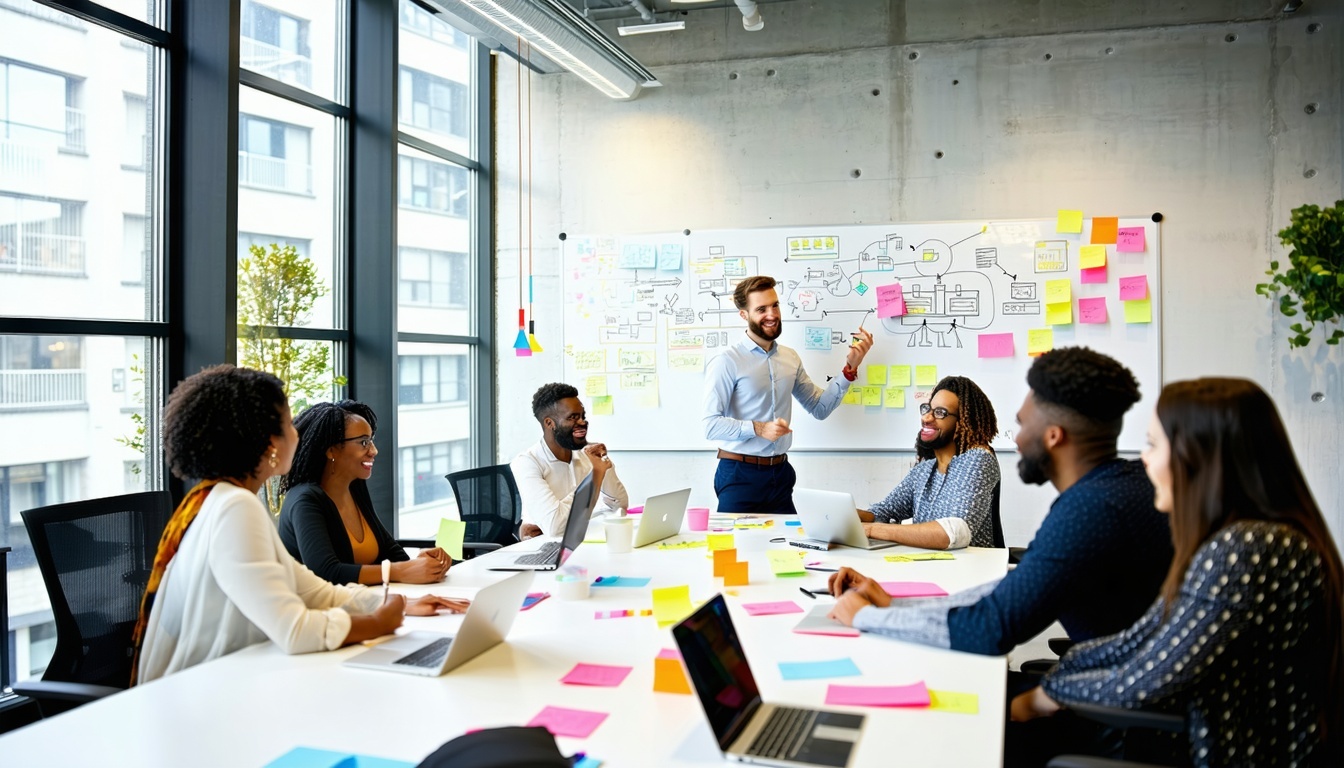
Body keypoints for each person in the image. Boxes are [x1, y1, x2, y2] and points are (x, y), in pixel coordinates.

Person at [1009, 378, 1344, 767]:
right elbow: (1139, 641)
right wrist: (1062, 674)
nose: (1144, 460)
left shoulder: (1247, 550)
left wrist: (1041, 697)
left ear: (1196, 456)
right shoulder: (1237, 539)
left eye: (1153, 444)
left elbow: (1150, 675)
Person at [826, 347, 1173, 657]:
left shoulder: (1086, 514)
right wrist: (894, 603)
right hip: (1112, 682)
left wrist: (866, 617)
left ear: (1053, 436)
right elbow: (1008, 594)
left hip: (1107, 708)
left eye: (1021, 425)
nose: (1016, 439)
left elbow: (990, 627)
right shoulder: (1118, 490)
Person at [130, 365, 467, 685]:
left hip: (228, 680)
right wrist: (378, 622)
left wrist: (400, 605)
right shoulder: (235, 507)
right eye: (289, 424)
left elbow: (310, 589)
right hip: (200, 695)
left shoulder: (224, 499)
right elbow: (295, 631)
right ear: (267, 442)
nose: (298, 434)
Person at [703, 275, 874, 513]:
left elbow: (819, 408)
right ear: (744, 315)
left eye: (774, 305)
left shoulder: (789, 357)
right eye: (761, 309)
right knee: (740, 549)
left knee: (788, 548)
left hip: (780, 475)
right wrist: (759, 428)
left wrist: (849, 369)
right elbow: (711, 426)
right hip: (739, 474)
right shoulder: (727, 361)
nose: (772, 314)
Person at [278, 400, 450, 585]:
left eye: (371, 440)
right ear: (331, 450)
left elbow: (391, 552)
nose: (373, 451)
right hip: (324, 611)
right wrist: (399, 570)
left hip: (364, 603)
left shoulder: (355, 488)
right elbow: (326, 572)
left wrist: (420, 562)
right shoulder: (305, 500)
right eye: (363, 442)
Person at [859, 375, 1001, 549]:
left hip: (969, 570)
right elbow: (883, 512)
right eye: (928, 409)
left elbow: (952, 533)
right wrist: (843, 517)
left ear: (963, 422)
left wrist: (872, 530)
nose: (927, 418)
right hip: (927, 566)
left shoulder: (978, 460)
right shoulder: (925, 469)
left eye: (940, 412)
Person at [512, 382, 629, 537]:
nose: (582, 422)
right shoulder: (527, 462)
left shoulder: (588, 454)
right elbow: (556, 528)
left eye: (583, 416)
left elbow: (620, 507)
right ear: (549, 423)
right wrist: (595, 476)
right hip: (544, 549)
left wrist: (604, 467)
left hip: (582, 540)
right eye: (573, 417)